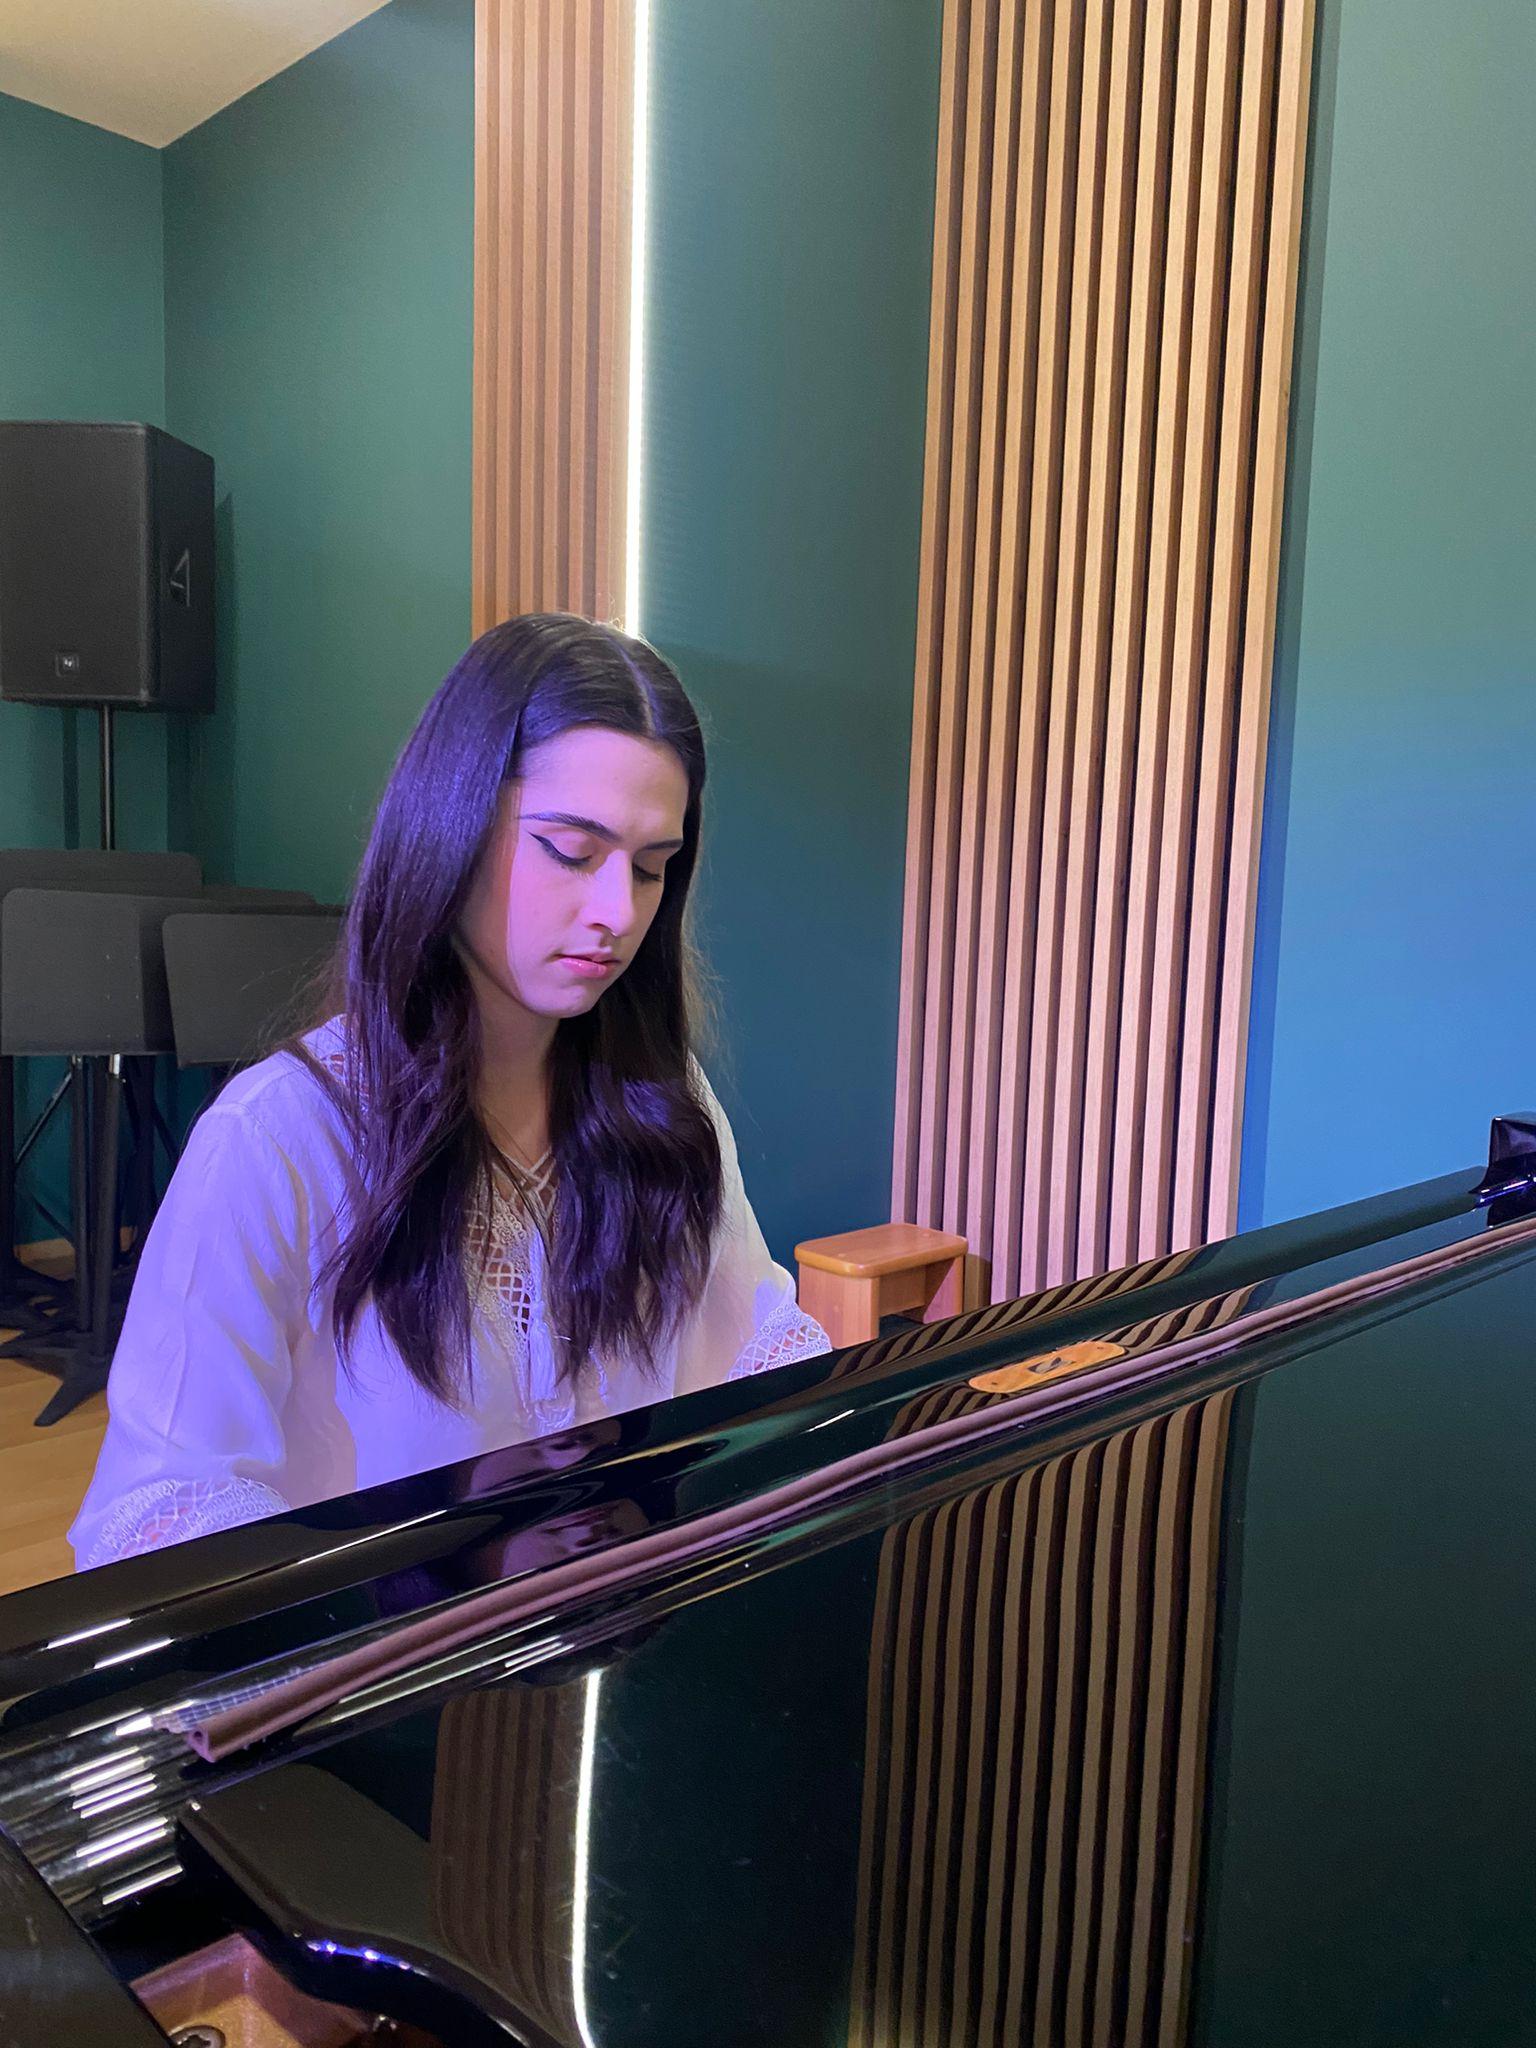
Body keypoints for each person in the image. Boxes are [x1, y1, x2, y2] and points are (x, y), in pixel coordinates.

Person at [70, 615, 830, 1570]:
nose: (617, 912)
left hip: (612, 1630)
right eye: (571, 850)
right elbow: (163, 1505)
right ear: (451, 827)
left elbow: (758, 1346)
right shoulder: (279, 1138)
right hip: (392, 1653)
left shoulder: (662, 1099)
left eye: (650, 869)